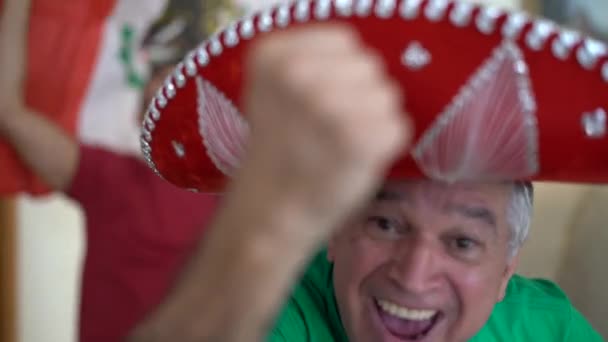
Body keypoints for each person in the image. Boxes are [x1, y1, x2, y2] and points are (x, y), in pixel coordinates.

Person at [128, 25, 603, 341]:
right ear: (335, 232)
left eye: (462, 242)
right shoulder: (266, 309)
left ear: (506, 271)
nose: (414, 276)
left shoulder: (546, 327)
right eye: (386, 224)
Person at [0, 1, 218, 341]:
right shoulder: (117, 178)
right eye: (161, 83)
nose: (168, 89)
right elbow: (8, 112)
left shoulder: (250, 193)